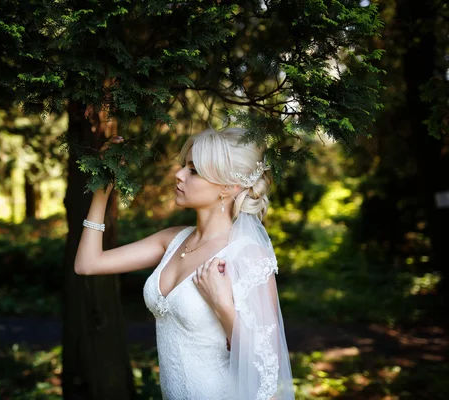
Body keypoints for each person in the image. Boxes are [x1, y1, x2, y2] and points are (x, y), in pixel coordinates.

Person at [75, 127, 295, 400]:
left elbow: (266, 368)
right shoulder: (172, 240)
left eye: (194, 170)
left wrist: (222, 304)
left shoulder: (247, 255)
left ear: (229, 187)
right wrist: (101, 192)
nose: (178, 174)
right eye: (183, 166)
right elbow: (88, 264)